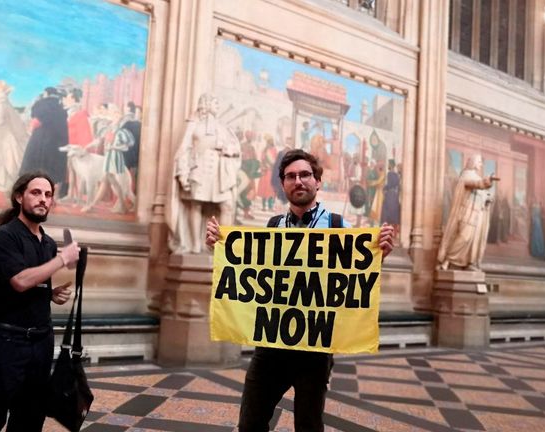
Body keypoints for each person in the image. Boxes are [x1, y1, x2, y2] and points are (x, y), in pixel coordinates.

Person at [205, 149, 395, 431]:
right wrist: (220, 247)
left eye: (305, 174)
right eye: (291, 176)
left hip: (314, 348)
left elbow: (356, 272)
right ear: (283, 185)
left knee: (308, 425)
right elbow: (255, 275)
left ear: (318, 181)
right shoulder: (273, 227)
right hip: (271, 343)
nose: (298, 181)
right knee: (250, 422)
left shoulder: (338, 226)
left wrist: (380, 252)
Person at [0, 171, 79, 432]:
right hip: (5, 342)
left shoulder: (47, 243)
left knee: (30, 418)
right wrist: (62, 260)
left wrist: (51, 294)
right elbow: (20, 280)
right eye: (36, 192)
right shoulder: (5, 236)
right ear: (19, 197)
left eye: (48, 194)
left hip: (40, 342)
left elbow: (35, 283)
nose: (43, 199)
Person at [167, 93, 241, 254]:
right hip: (199, 169)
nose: (218, 105)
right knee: (196, 205)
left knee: (227, 206)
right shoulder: (194, 124)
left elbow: (235, 148)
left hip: (220, 174)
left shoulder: (222, 127)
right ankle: (194, 245)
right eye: (215, 102)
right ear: (206, 104)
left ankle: (222, 247)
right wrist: (182, 172)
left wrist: (227, 149)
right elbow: (184, 148)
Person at [436, 154, 496, 271]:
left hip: (475, 216)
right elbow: (476, 184)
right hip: (466, 213)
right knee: (464, 237)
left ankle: (469, 263)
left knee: (471, 239)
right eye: (479, 162)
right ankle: (447, 261)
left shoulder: (476, 177)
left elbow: (481, 195)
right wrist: (487, 181)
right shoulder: (467, 175)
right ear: (473, 162)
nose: (481, 164)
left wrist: (487, 199)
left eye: (481, 162)